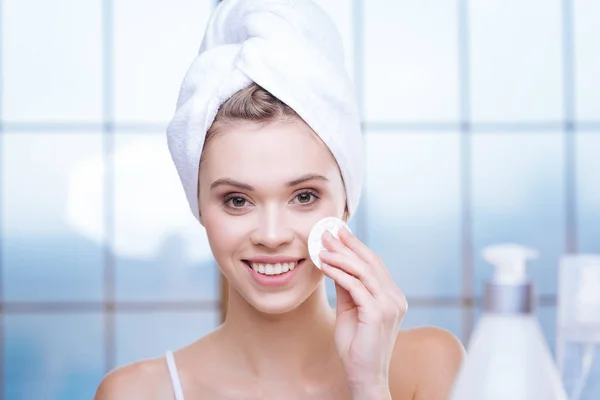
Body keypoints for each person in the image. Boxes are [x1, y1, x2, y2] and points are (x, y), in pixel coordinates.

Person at [95, 1, 465, 399]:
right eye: (237, 200)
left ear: (345, 203)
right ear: (199, 205)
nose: (271, 236)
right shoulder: (137, 393)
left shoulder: (429, 366)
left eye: (304, 196)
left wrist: (369, 385)